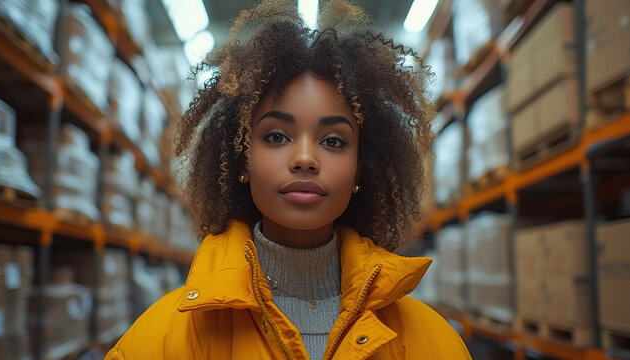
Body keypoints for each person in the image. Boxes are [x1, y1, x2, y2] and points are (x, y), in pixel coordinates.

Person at [106, 0, 472, 359]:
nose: (304, 159)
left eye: (333, 141)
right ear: (242, 157)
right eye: (277, 136)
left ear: (360, 168)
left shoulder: (434, 344)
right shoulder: (163, 342)